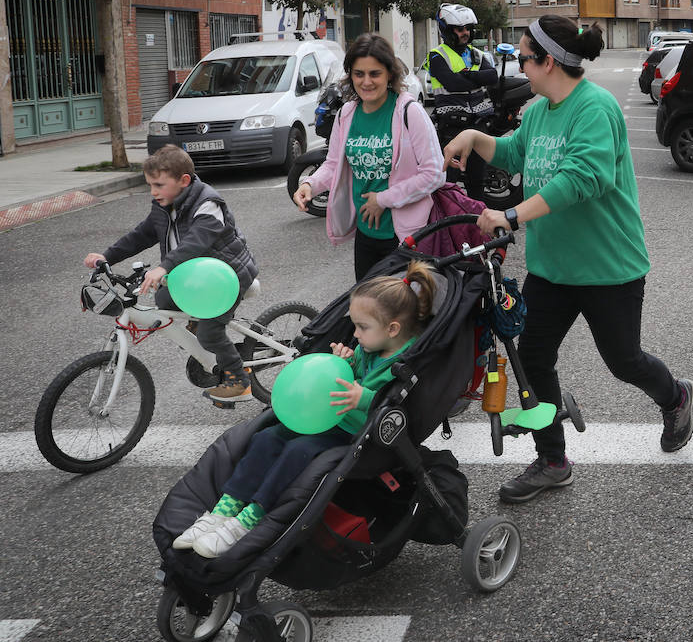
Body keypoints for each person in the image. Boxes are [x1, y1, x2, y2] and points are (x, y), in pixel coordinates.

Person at [443, 14, 693, 504]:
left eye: (523, 58)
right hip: (551, 269)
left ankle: (676, 396)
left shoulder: (594, 109)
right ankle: (553, 460)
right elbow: (516, 153)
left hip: (608, 268)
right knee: (533, 358)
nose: (519, 66)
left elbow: (583, 178)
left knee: (624, 361)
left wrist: (511, 216)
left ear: (549, 62)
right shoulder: (539, 111)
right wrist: (475, 138)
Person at [174, 260, 433, 558]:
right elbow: (349, 374)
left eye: (362, 327)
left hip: (356, 433)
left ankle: (249, 519)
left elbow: (398, 409)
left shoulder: (403, 365)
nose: (356, 335)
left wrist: (364, 398)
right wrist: (346, 362)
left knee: (298, 452)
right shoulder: (368, 347)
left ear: (393, 328)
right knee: (265, 438)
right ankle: (225, 509)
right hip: (325, 418)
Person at [83, 145, 259, 403]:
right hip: (194, 276)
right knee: (164, 300)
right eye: (150, 186)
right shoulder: (163, 205)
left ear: (184, 181)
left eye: (159, 185)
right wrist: (107, 256)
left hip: (225, 277)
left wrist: (163, 268)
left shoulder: (208, 204)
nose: (153, 192)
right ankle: (204, 333)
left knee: (209, 334)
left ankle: (239, 380)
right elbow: (141, 235)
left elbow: (195, 243)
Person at [293, 33, 445, 280]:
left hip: (405, 236)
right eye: (358, 74)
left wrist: (383, 199)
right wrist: (310, 185)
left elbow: (434, 173)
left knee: (402, 314)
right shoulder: (347, 114)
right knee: (368, 312)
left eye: (375, 74)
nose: (366, 82)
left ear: (389, 75)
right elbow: (333, 164)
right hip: (366, 235)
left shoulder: (409, 112)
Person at [425, 3, 498, 192]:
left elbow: (492, 77)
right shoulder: (436, 56)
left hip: (479, 125)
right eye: (460, 29)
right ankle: (450, 221)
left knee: (477, 183)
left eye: (468, 28)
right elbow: (453, 84)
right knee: (448, 184)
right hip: (452, 127)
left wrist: (466, 75)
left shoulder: (478, 54)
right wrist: (475, 78)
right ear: (447, 30)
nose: (465, 32)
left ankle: (476, 221)